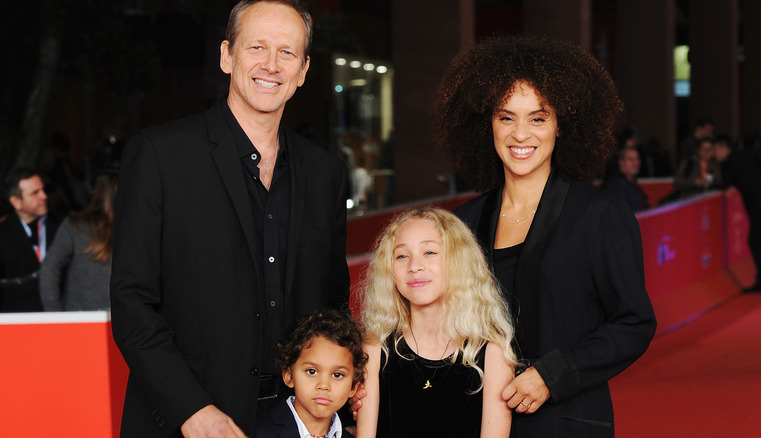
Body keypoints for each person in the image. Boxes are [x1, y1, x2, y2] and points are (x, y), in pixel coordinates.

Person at [110, 1, 350, 437]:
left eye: (287, 53)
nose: (271, 65)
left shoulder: (325, 174)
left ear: (303, 70)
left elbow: (331, 306)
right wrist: (191, 410)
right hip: (188, 420)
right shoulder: (161, 156)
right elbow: (132, 304)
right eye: (256, 47)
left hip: (294, 422)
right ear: (227, 56)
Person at [434, 35, 657, 437]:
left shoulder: (600, 216)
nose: (521, 135)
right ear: (488, 126)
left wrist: (553, 375)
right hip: (473, 420)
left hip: (564, 421)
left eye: (538, 118)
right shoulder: (462, 224)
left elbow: (633, 322)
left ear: (561, 126)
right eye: (506, 117)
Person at [356, 207, 517, 438]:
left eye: (429, 252)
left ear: (458, 260)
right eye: (402, 255)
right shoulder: (375, 349)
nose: (414, 266)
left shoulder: (493, 354)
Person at [254, 308, 366, 438]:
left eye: (337, 375)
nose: (324, 385)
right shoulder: (257, 430)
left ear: (353, 387)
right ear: (288, 375)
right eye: (312, 371)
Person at [39, 170, 118, 311]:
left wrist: (54, 314)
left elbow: (49, 268)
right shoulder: (138, 228)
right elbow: (50, 269)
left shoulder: (75, 224)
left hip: (80, 315)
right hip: (117, 317)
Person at [714, 135, 761, 293]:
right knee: (756, 240)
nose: (715, 155)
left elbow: (724, 182)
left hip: (760, 204)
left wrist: (707, 184)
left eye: (715, 150)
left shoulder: (733, 160)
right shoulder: (741, 155)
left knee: (756, 241)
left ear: (723, 148)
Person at [0, 168, 61, 312]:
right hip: (17, 321)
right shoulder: (3, 235)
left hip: (58, 316)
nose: (44, 196)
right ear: (16, 202)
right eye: (35, 193)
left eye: (43, 190)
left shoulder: (61, 226)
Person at [603, 145, 649, 212]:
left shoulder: (633, 184)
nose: (635, 163)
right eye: (631, 159)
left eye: (637, 158)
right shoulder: (617, 184)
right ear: (621, 162)